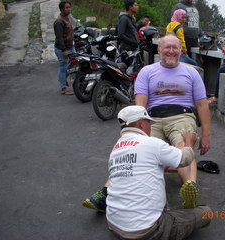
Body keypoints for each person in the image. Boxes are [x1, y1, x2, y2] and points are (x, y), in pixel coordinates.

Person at [82, 35, 211, 214]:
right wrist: (133, 130)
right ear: (159, 50)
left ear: (181, 51)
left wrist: (206, 135)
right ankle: (105, 193)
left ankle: (189, 187)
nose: (171, 51)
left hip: (181, 116)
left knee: (183, 144)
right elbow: (140, 104)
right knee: (133, 149)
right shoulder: (147, 71)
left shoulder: (191, 73)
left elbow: (202, 104)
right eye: (167, 47)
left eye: (175, 48)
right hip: (152, 119)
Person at [102, 105, 211, 240]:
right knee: (206, 213)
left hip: (114, 224)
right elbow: (185, 158)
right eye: (149, 123)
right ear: (142, 123)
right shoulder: (152, 143)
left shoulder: (116, 150)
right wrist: (189, 141)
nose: (150, 127)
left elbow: (146, 166)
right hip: (146, 231)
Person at [53, 1, 75, 95]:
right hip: (63, 48)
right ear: (62, 9)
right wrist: (64, 50)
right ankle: (63, 88)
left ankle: (62, 77)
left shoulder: (66, 18)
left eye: (69, 7)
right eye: (66, 7)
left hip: (70, 47)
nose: (69, 9)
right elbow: (59, 37)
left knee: (74, 63)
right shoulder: (59, 21)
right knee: (63, 67)